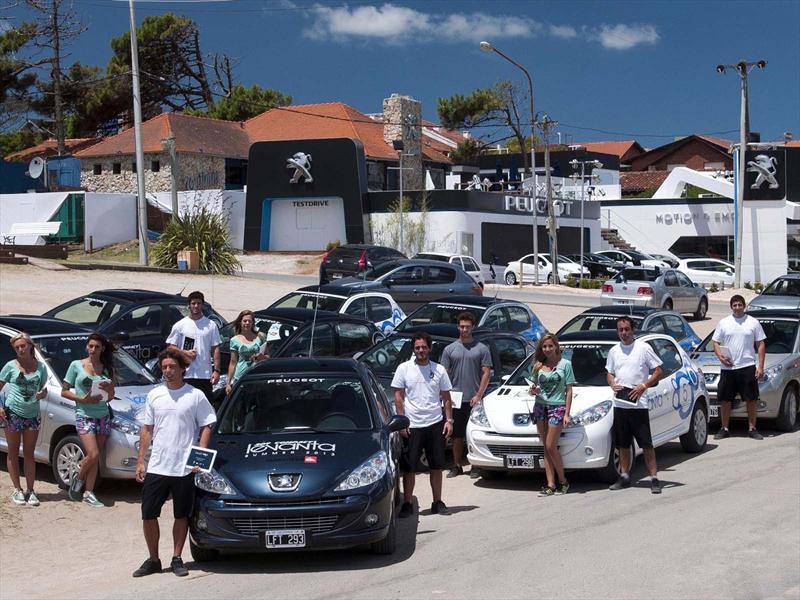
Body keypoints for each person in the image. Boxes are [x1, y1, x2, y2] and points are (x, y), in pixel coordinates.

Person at [132, 347, 216, 578]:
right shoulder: (154, 395)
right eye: (164, 367)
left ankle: (177, 558)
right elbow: (146, 429)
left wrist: (201, 454)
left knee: (181, 514)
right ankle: (153, 559)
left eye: (172, 367)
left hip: (184, 466)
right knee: (148, 513)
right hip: (158, 464)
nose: (168, 371)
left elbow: (207, 425)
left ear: (182, 369)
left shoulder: (195, 395)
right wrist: (141, 461)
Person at [391, 332, 454, 517]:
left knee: (436, 466)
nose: (421, 350)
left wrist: (448, 420)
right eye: (417, 347)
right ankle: (408, 503)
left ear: (430, 348)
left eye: (424, 347)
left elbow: (446, 398)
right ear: (413, 349)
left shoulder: (439, 370)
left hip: (435, 423)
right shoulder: (404, 369)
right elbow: (398, 397)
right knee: (410, 467)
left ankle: (437, 502)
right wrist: (402, 422)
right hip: (412, 425)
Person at [605, 316, 664, 494]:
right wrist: (611, 383)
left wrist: (644, 385)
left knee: (646, 444)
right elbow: (609, 372)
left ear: (632, 330)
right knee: (623, 444)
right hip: (620, 404)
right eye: (620, 330)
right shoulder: (614, 350)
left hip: (639, 405)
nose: (624, 333)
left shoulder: (643, 348)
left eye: (626, 329)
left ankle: (654, 478)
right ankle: (624, 476)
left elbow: (659, 369)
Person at [61, 333, 115, 507]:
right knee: (93, 454)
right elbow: (64, 391)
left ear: (102, 349)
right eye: (90, 346)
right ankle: (78, 478)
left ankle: (88, 492)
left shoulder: (105, 368)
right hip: (84, 414)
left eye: (97, 347)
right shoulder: (76, 365)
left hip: (102, 415)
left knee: (95, 458)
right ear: (87, 347)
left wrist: (109, 389)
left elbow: (110, 398)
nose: (93, 349)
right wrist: (82, 399)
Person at [440, 311, 491, 479]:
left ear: (473, 327)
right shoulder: (449, 349)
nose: (464, 329)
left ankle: (476, 466)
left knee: (473, 434)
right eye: (462, 326)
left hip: (473, 399)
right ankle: (456, 466)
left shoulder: (482, 349)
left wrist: (479, 394)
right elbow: (444, 374)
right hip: (455, 399)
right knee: (456, 435)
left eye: (467, 327)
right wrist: (445, 396)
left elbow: (486, 373)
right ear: (458, 327)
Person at [0, 333, 48, 506]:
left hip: (32, 414)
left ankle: (30, 490)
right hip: (12, 412)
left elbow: (44, 388)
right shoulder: (10, 366)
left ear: (29, 346)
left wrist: (43, 394)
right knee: (13, 451)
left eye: (23, 346)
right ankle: (17, 489)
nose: (20, 349)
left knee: (29, 454)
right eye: (17, 347)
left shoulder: (41, 367)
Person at [712, 295, 766, 440]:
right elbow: (715, 342)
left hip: (747, 365)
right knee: (725, 399)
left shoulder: (753, 322)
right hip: (728, 368)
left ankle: (752, 429)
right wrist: (720, 357)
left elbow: (760, 344)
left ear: (744, 306)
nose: (737, 307)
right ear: (731, 307)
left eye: (740, 305)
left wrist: (760, 366)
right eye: (735, 305)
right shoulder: (724, 323)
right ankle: (724, 428)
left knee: (751, 399)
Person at [527, 333, 575, 496]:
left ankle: (563, 481)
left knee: (550, 445)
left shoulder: (565, 365)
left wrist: (567, 413)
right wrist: (532, 391)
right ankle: (550, 484)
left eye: (550, 346)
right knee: (546, 447)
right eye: (544, 346)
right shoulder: (539, 365)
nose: (547, 349)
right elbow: (533, 385)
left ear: (556, 346)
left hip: (557, 407)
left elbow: (569, 390)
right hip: (540, 406)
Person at [166, 290, 221, 401]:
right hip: (186, 374)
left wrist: (217, 370)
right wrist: (184, 353)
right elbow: (170, 348)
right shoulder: (180, 325)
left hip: (205, 375)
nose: (196, 306)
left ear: (202, 305)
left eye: (199, 303)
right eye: (193, 303)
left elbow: (215, 349)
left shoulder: (211, 325)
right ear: (189, 305)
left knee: (204, 408)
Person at [225, 310, 267, 396]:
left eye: (249, 321)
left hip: (256, 376)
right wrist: (228, 383)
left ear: (253, 323)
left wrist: (262, 357)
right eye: (245, 321)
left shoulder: (260, 337)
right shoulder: (234, 340)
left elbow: (268, 357)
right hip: (240, 377)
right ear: (240, 322)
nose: (247, 323)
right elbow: (233, 362)